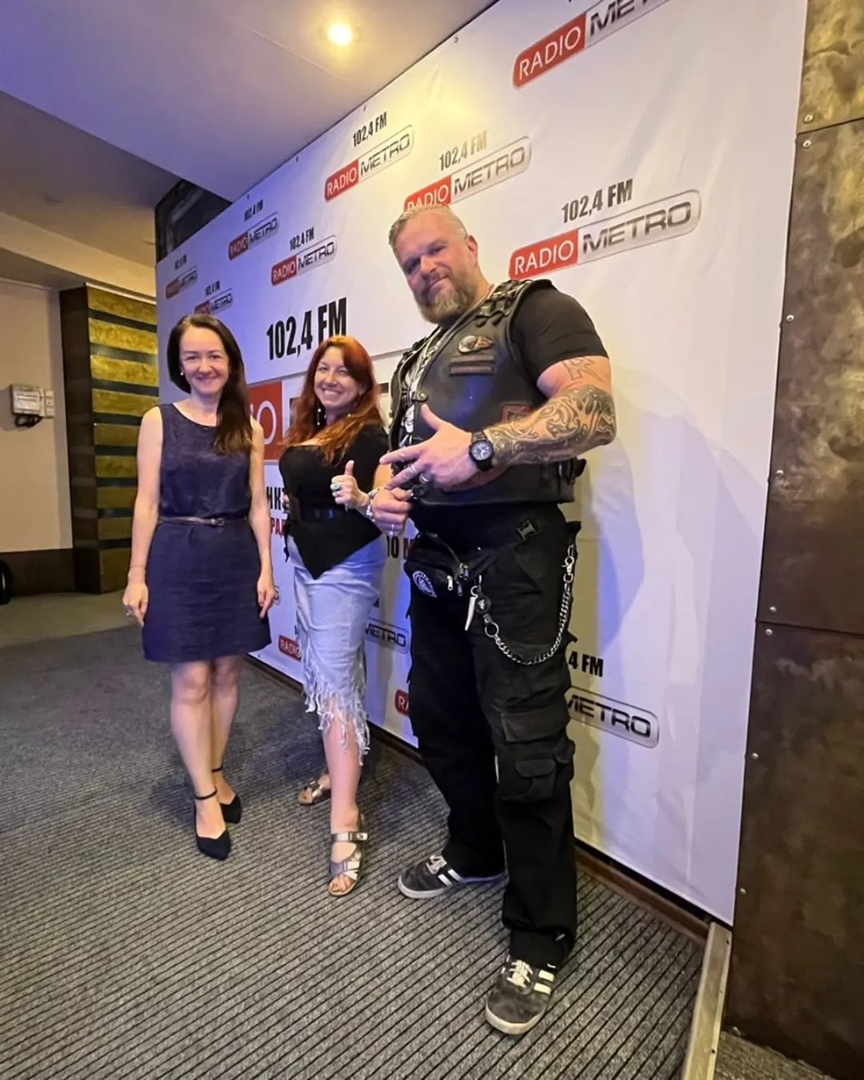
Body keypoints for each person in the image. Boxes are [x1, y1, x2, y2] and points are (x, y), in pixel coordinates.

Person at [367, 204, 617, 1035]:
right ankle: (475, 851)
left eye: (435, 250)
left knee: (528, 747)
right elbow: (411, 460)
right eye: (410, 264)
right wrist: (389, 495)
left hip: (516, 558)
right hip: (434, 562)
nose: (425, 269)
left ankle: (542, 935)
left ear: (471, 246)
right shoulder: (417, 360)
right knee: (443, 725)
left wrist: (482, 448)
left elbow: (594, 411)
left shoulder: (535, 309)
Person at [122, 314, 276, 862]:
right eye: (192, 357)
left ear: (230, 361)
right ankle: (203, 797)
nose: (204, 366)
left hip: (234, 555)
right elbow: (146, 502)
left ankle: (215, 768)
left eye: (214, 355)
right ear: (179, 366)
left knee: (228, 672)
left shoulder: (250, 427)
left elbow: (258, 506)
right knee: (191, 679)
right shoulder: (158, 420)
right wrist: (136, 574)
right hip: (178, 555)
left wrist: (266, 568)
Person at [278, 335, 391, 896]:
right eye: (323, 368)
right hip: (306, 558)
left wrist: (361, 497)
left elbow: (387, 508)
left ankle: (345, 816)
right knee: (333, 677)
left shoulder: (370, 434)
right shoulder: (314, 426)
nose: (330, 378)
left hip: (344, 565)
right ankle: (339, 769)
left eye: (344, 371)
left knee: (335, 686)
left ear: (363, 383)